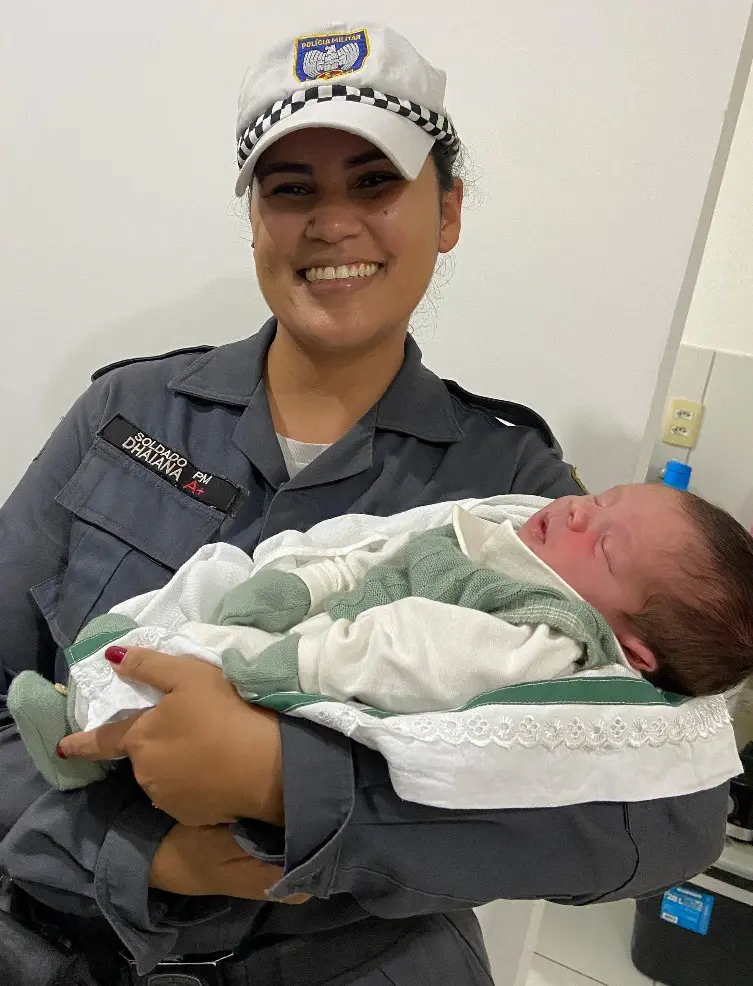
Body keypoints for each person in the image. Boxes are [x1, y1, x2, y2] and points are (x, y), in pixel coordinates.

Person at [0, 20, 731, 986]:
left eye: (375, 183)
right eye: (289, 189)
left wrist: (285, 781)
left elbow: (665, 818)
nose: (331, 222)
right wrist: (136, 855)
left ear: (448, 212)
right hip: (65, 944)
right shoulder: (123, 415)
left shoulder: (518, 494)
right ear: (255, 221)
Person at [9, 483, 752, 800]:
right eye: (599, 499)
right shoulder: (498, 531)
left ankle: (84, 737)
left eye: (608, 548)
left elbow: (408, 647)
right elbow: (385, 553)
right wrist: (310, 582)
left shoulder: (543, 633)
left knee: (167, 670)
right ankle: (85, 702)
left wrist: (267, 669)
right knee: (148, 620)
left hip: (303, 672)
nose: (576, 514)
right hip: (305, 622)